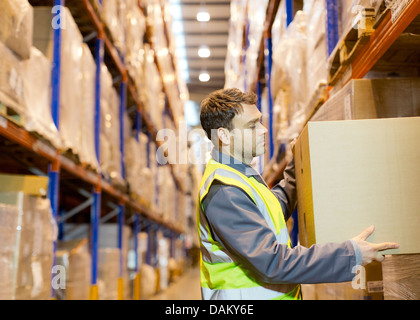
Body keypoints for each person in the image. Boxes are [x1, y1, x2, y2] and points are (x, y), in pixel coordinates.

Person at [197, 88, 399, 300]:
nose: (264, 130)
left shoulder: (239, 175)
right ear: (224, 136)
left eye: (260, 121)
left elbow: (274, 209)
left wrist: (297, 164)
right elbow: (273, 263)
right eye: (252, 125)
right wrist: (351, 254)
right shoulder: (224, 190)